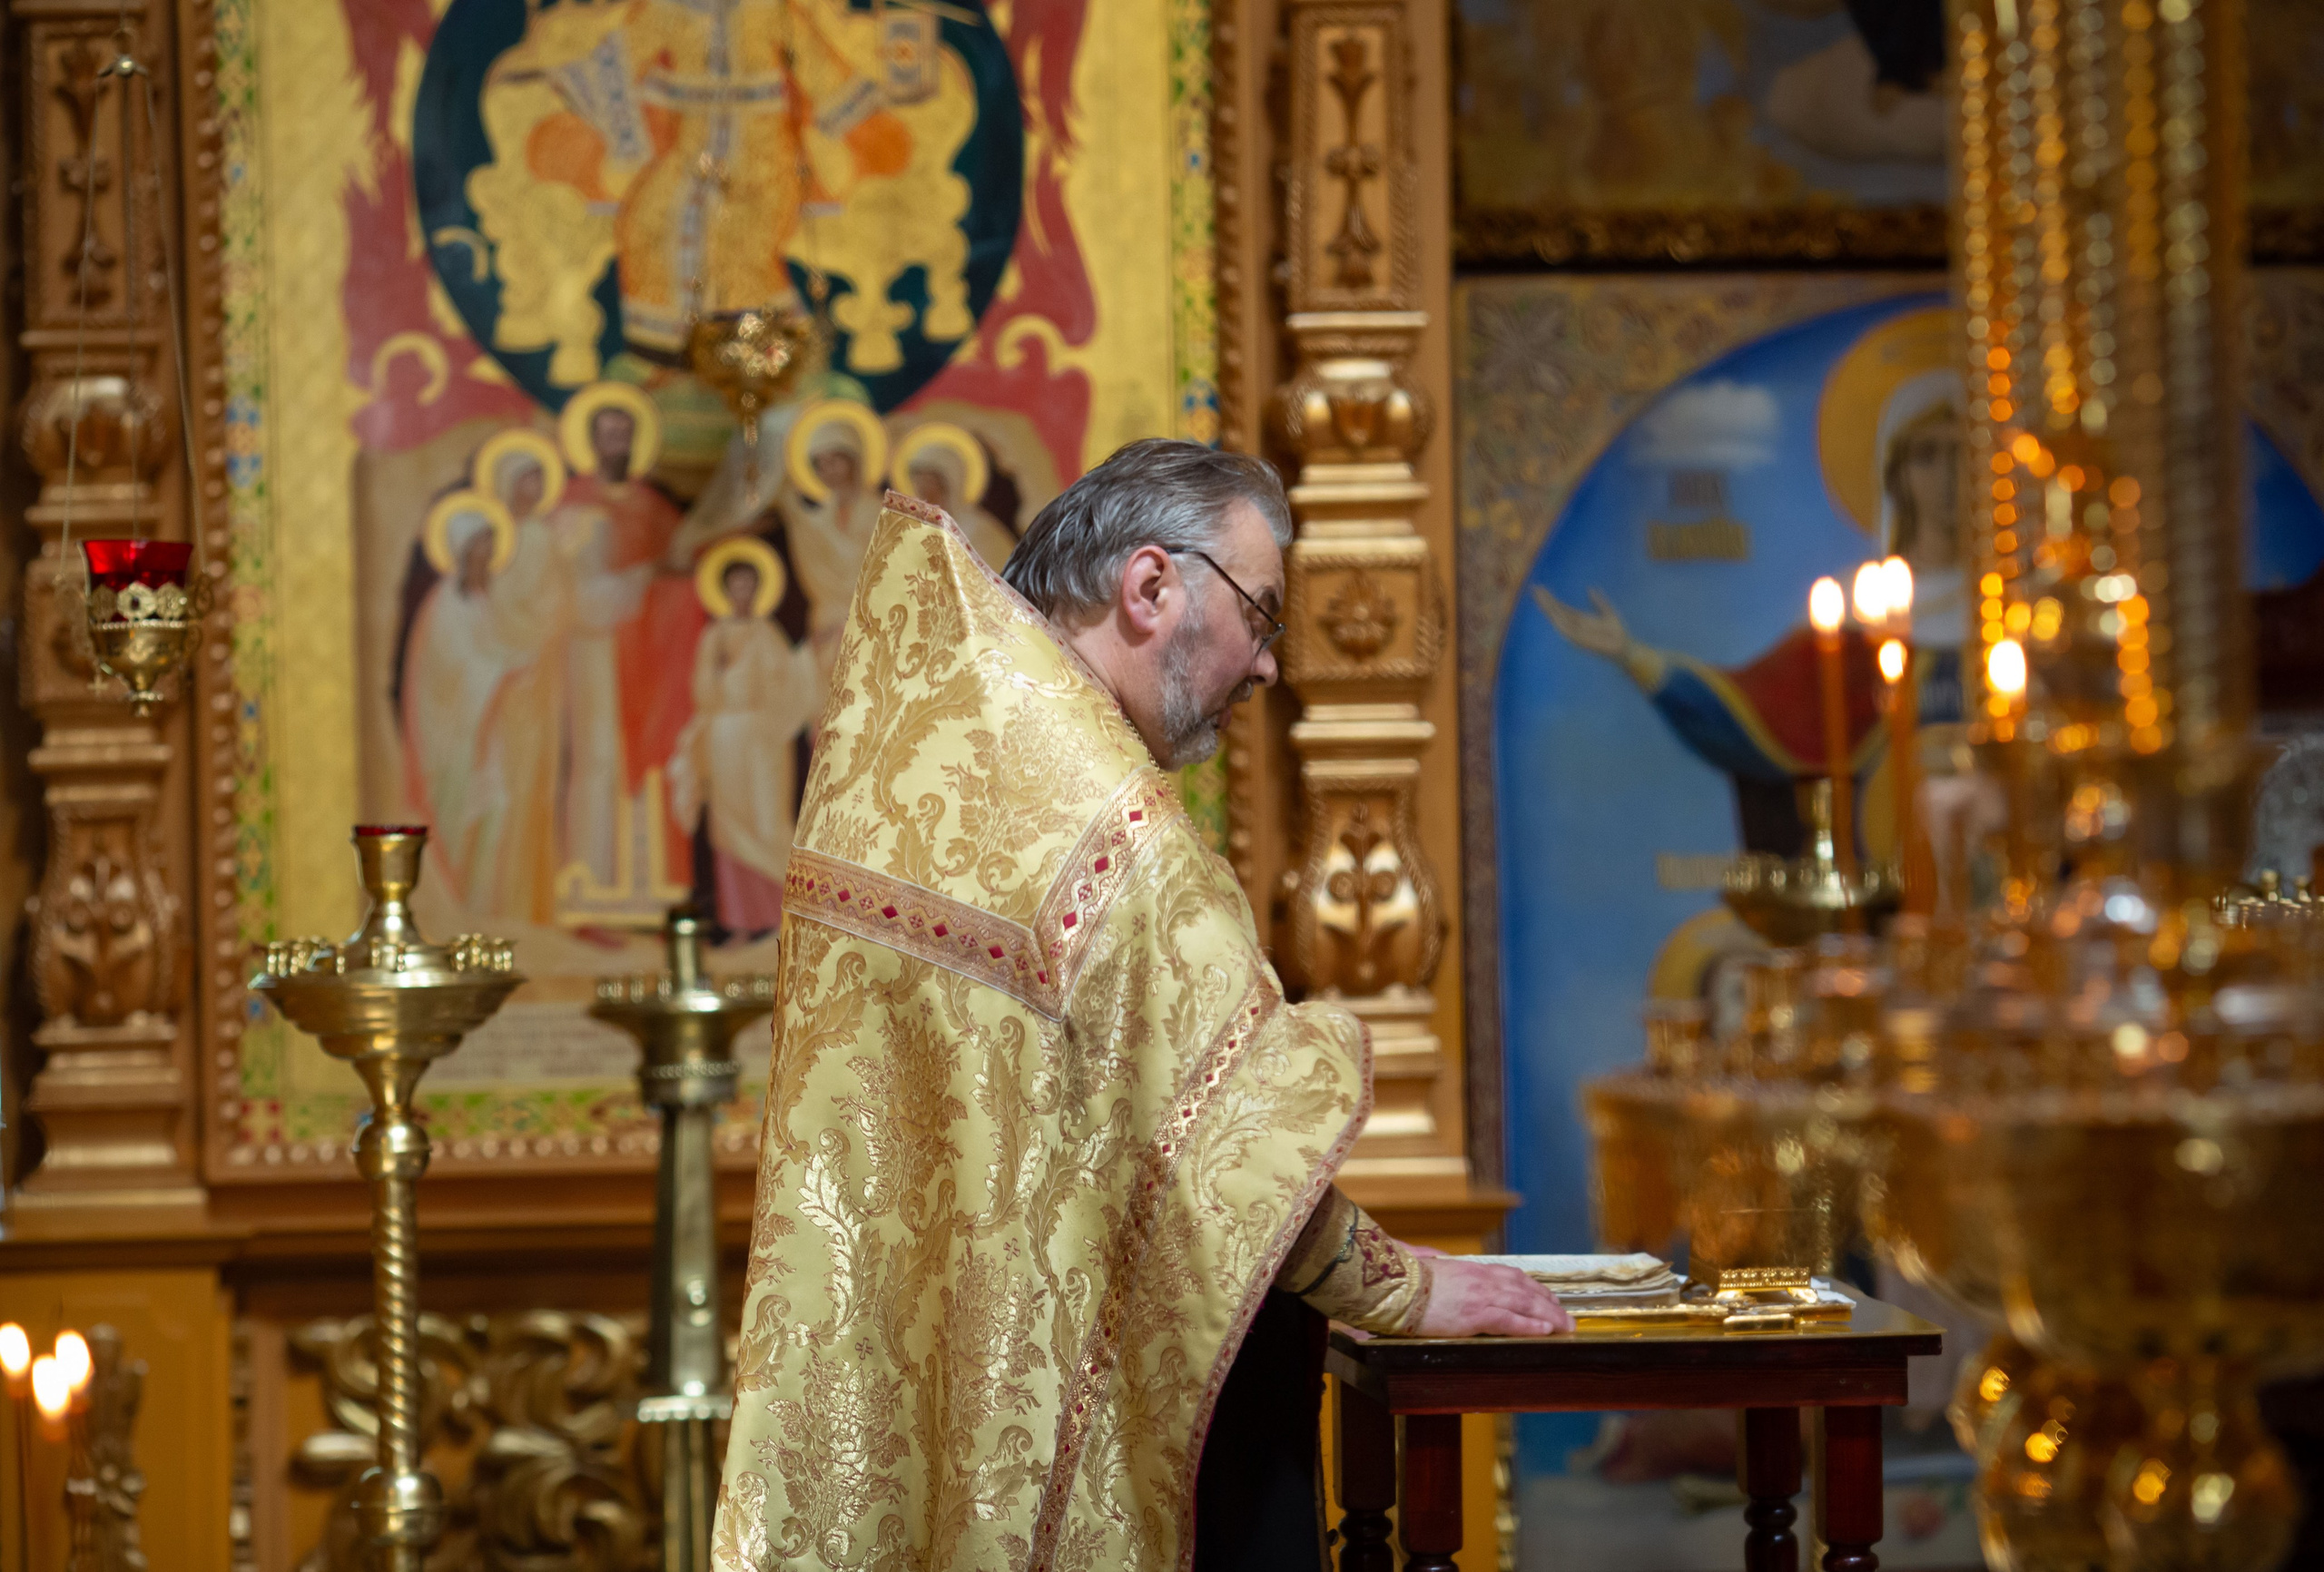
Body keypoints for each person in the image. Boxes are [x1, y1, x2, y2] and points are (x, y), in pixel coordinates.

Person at [711, 439, 1569, 1572]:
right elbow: (1232, 1140)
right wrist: (1402, 1285)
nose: (1265, 668)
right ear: (1152, 585)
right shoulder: (1099, 819)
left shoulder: (937, 740)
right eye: (1261, 617)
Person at [668, 544, 822, 938]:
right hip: (726, 739)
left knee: (768, 822)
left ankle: (776, 919)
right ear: (725, 591)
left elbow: (789, 684)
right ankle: (738, 922)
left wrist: (809, 654)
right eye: (736, 586)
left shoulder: (767, 633)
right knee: (730, 830)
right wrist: (719, 672)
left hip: (765, 740)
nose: (743, 593)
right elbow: (701, 694)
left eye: (750, 585)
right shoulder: (713, 637)